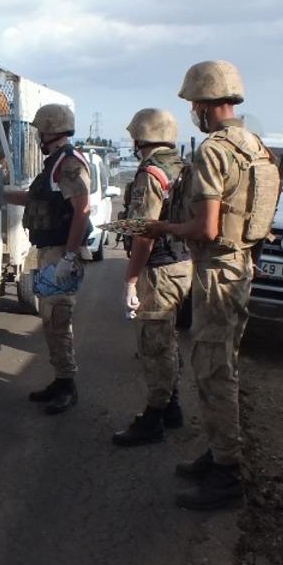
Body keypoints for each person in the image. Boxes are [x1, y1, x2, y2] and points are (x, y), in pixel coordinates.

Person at [145, 60, 279, 510]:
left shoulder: (215, 151)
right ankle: (219, 452)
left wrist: (162, 228)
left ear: (206, 103)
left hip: (219, 271)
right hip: (240, 266)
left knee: (213, 369)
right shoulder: (255, 146)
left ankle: (227, 472)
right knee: (220, 364)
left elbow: (205, 228)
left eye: (194, 105)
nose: (193, 113)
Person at [4, 104, 92, 415]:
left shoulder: (68, 164)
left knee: (58, 320)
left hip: (60, 252)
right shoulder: (55, 164)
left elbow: (82, 211)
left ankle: (67, 385)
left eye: (40, 131)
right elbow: (36, 198)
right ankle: (60, 379)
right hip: (50, 252)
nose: (38, 136)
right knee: (50, 320)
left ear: (50, 131)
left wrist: (69, 256)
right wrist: (1, 195)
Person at [112, 108, 192, 447]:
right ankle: (171, 406)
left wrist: (131, 278)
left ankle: (154, 418)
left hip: (159, 267)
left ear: (141, 137)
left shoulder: (151, 173)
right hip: (182, 263)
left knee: (153, 344)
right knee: (167, 339)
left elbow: (144, 231)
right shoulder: (183, 167)